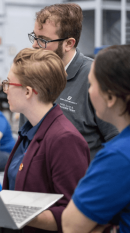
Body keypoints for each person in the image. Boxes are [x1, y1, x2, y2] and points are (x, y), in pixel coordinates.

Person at [0, 48, 90, 233]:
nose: (5, 89)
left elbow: (72, 215)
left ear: (28, 91)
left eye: (9, 83)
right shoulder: (29, 132)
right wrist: (0, 213)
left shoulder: (65, 139)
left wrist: (12, 212)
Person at [19, 3, 118, 160]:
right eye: (34, 37)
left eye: (43, 40)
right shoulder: (33, 75)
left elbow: (117, 144)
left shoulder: (96, 78)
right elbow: (25, 139)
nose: (34, 45)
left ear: (68, 44)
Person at [62, 45, 130, 233]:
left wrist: (93, 223)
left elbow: (71, 226)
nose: (88, 90)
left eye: (91, 84)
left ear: (110, 97)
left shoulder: (117, 157)